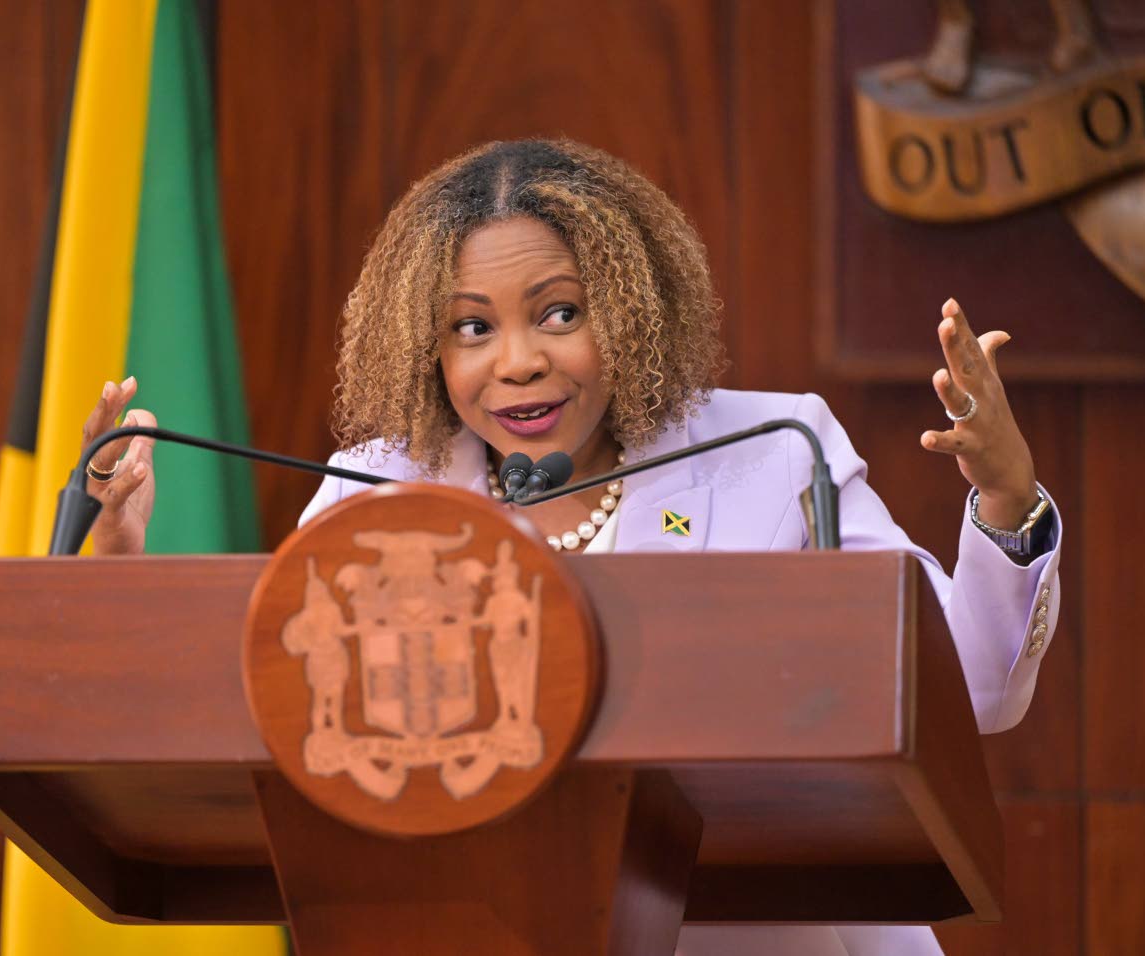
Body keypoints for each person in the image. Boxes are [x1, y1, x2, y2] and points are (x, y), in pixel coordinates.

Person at [79, 139, 1062, 956]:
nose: (517, 361)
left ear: (628, 309)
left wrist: (1004, 497)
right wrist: (116, 560)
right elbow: (269, 711)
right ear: (428, 347)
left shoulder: (770, 453)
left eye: (559, 312)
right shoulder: (375, 487)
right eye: (471, 327)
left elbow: (966, 692)